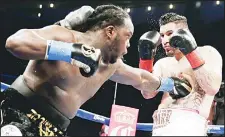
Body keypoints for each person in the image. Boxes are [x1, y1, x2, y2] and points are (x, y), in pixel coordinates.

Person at [1, 5, 191, 136]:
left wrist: (170, 85)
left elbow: (140, 78)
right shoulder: (67, 36)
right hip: (18, 110)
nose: (128, 47)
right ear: (110, 32)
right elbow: (14, 42)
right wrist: (71, 52)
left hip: (55, 129)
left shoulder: (111, 65)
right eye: (127, 37)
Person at [138, 12, 223, 136]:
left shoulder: (207, 52)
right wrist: (146, 58)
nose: (165, 40)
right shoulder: (163, 64)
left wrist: (190, 51)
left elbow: (212, 88)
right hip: (162, 124)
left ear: (184, 33)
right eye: (162, 35)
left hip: (190, 125)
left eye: (169, 34)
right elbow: (147, 93)